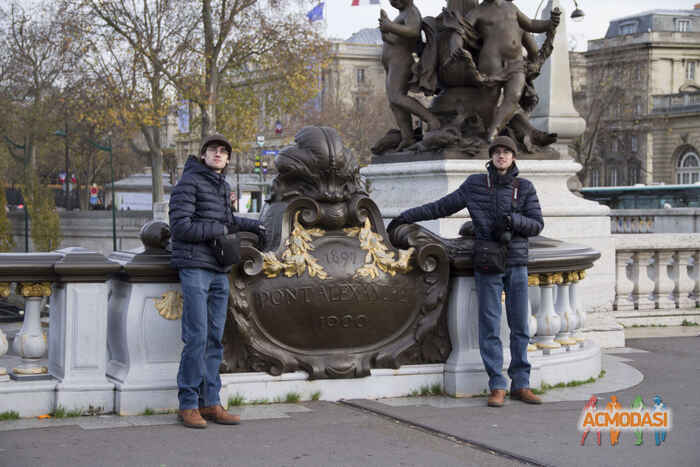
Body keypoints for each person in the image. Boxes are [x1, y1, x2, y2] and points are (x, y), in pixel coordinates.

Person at [388, 135, 543, 407]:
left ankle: (522, 383)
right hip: (487, 262)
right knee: (489, 325)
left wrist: (512, 221)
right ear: (491, 157)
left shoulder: (525, 187)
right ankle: (497, 384)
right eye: (497, 152)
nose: (502, 156)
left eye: (507, 152)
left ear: (514, 157)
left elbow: (536, 224)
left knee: (520, 326)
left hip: (517, 262)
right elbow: (441, 207)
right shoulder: (475, 184)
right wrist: (405, 216)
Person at [169, 134, 264, 428]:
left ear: (228, 159)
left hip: (219, 269)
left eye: (224, 151)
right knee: (196, 337)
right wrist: (217, 228)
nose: (219, 154)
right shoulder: (189, 182)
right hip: (195, 266)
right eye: (213, 150)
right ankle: (187, 405)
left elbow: (228, 222)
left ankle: (211, 402)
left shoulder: (221, 186)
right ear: (203, 155)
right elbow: (180, 226)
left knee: (214, 339)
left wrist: (257, 226)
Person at [463, 0, 560, 141]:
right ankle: (485, 131)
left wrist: (550, 23)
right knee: (490, 100)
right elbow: (462, 29)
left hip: (516, 62)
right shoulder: (478, 11)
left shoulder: (512, 7)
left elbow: (531, 24)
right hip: (491, 61)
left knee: (514, 96)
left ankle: (493, 131)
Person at [379, 0, 441, 151]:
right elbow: (395, 40)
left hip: (401, 61)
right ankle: (407, 137)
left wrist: (389, 26)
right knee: (394, 103)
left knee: (397, 96)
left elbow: (413, 30)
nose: (394, 2)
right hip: (392, 62)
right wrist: (385, 32)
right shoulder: (402, 14)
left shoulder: (411, 12)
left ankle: (432, 120)